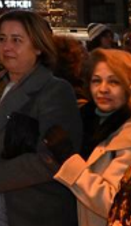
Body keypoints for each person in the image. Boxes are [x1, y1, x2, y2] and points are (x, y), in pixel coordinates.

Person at [0, 9, 82, 226]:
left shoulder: (54, 90)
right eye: (2, 39)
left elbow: (57, 157)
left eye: (16, 40)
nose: (7, 47)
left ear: (38, 47)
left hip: (35, 211)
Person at [46, 49, 131, 226]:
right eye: (96, 80)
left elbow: (113, 204)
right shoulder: (83, 119)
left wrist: (69, 161)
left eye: (114, 82)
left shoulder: (126, 136)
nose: (103, 89)